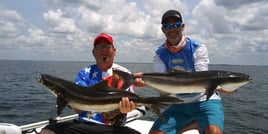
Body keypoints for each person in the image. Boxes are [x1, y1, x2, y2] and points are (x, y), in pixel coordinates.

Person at [41, 33, 144, 134]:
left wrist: (126, 109)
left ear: (114, 51)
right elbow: (79, 110)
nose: (103, 50)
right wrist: (68, 100)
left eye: (107, 46)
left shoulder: (125, 75)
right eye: (99, 47)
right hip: (85, 126)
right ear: (94, 52)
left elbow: (130, 103)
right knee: (48, 130)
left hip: (113, 128)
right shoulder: (84, 73)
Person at [147, 10, 224, 134]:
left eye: (176, 25)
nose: (171, 29)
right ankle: (192, 124)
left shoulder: (198, 48)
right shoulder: (159, 54)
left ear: (182, 27)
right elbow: (162, 80)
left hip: (204, 100)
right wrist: (145, 82)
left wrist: (221, 86)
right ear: (163, 30)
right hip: (179, 103)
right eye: (167, 26)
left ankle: (194, 123)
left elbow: (202, 78)